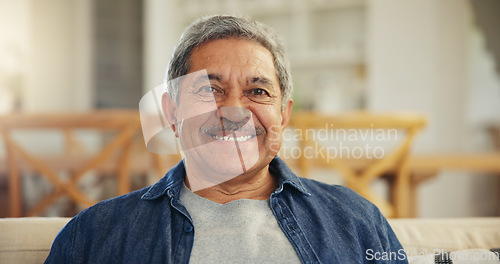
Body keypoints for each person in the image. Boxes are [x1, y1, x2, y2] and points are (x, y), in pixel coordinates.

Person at [45, 15, 408, 263]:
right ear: (172, 113)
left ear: (283, 115)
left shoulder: (357, 222)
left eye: (259, 92)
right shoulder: (94, 237)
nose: (234, 111)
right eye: (210, 89)